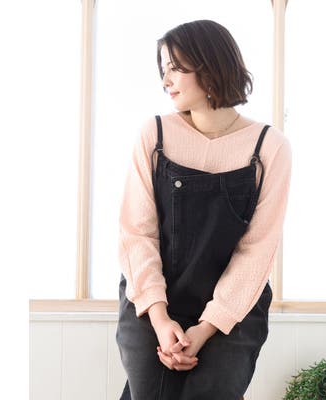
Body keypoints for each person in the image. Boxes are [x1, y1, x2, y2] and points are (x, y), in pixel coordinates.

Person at [116, 19, 292, 400]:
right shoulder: (155, 135)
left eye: (175, 68)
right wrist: (160, 318)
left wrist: (207, 326)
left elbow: (257, 251)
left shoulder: (269, 147)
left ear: (210, 64)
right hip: (154, 295)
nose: (166, 80)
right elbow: (137, 233)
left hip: (234, 306)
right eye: (163, 70)